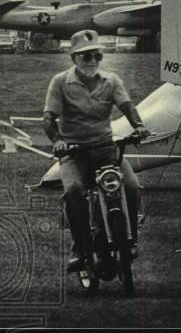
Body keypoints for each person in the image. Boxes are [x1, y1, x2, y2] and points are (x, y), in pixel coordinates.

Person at [43, 29, 149, 272]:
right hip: (74, 152)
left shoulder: (111, 81)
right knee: (73, 190)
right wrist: (58, 141)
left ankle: (129, 241)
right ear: (73, 59)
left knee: (132, 186)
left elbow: (127, 106)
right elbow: (49, 119)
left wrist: (139, 126)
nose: (91, 61)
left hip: (105, 149)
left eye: (96, 56)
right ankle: (80, 247)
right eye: (85, 56)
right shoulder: (60, 82)